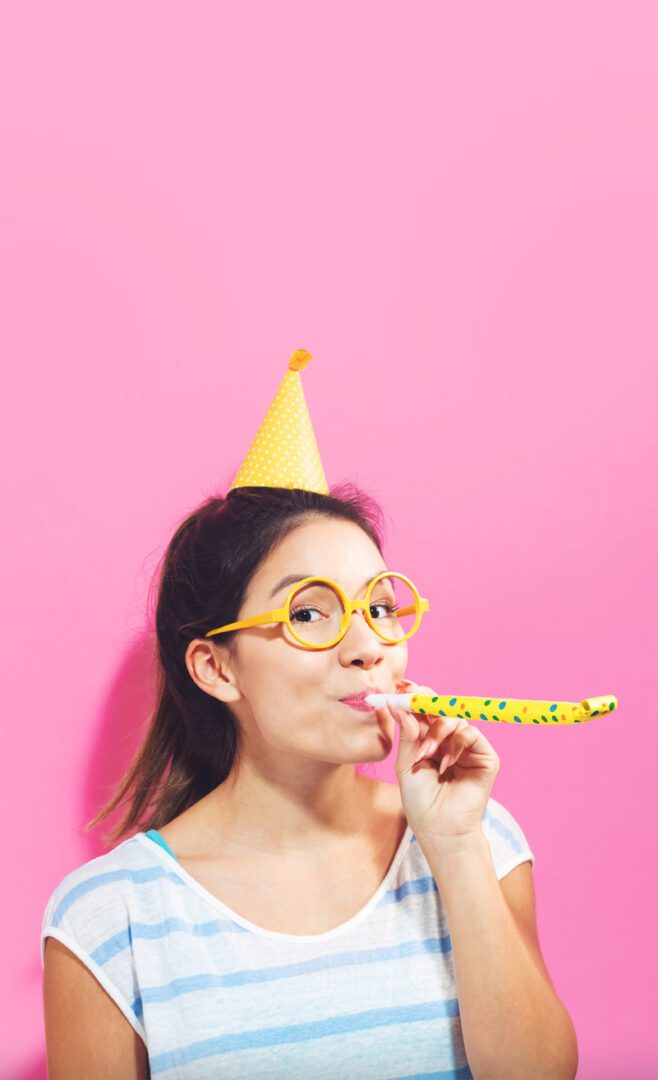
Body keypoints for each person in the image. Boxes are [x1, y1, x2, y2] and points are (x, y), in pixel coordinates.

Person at [42, 353, 575, 1078]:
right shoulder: (110, 917)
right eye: (308, 613)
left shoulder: (478, 839)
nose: (368, 648)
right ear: (216, 668)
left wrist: (453, 847)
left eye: (381, 608)